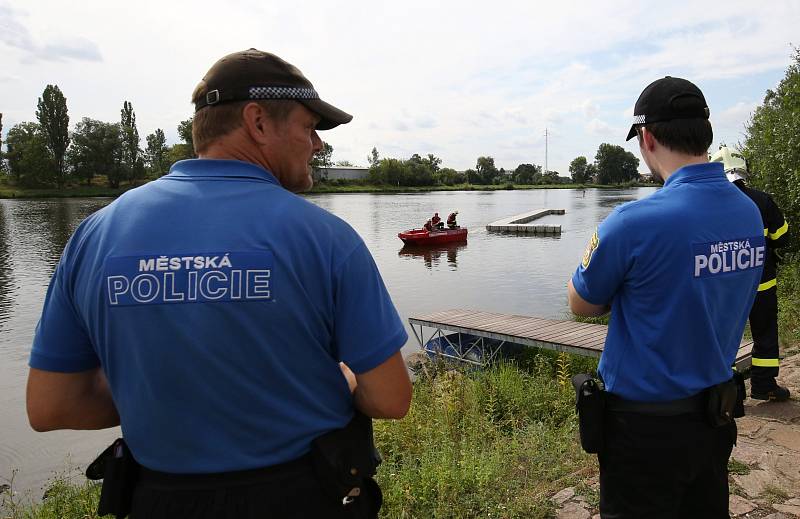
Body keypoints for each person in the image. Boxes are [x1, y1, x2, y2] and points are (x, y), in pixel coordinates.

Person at [26, 49, 412, 519]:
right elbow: (391, 398)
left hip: (156, 501)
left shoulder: (93, 235)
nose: (317, 145)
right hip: (303, 497)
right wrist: (344, 379)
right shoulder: (326, 238)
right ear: (258, 122)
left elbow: (50, 406)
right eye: (309, 128)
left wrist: (161, 394)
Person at [567, 77, 765, 518]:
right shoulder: (747, 211)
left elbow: (581, 304)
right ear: (705, 133)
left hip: (643, 431)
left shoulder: (633, 223)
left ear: (647, 137)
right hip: (715, 419)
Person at [710, 146, 790, 401]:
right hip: (762, 283)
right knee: (765, 333)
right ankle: (763, 385)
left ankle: (726, 392)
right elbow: (782, 237)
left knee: (723, 336)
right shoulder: (762, 200)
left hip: (724, 286)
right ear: (743, 169)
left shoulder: (709, 207)